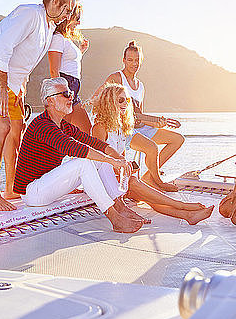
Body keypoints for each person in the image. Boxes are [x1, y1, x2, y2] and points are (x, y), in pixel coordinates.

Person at [0, 0, 77, 211]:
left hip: (11, 83)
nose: (67, 16)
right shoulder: (30, 14)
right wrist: (1, 86)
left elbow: (24, 61)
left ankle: (12, 188)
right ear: (55, 2)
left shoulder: (48, 28)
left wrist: (19, 88)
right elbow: (2, 48)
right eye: (67, 9)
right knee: (1, 127)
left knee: (16, 131)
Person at [13, 77, 145, 233]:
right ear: (51, 101)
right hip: (32, 193)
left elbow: (94, 143)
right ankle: (114, 218)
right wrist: (113, 161)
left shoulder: (62, 125)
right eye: (66, 94)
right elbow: (74, 148)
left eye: (71, 93)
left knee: (100, 160)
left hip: (47, 185)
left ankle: (120, 206)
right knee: (84, 162)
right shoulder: (42, 125)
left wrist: (119, 159)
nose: (71, 98)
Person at [91, 83, 213, 224]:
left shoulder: (121, 127)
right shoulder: (99, 127)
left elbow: (121, 157)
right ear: (109, 102)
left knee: (149, 198)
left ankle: (188, 216)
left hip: (118, 178)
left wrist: (127, 169)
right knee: (136, 184)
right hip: (103, 180)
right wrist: (122, 172)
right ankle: (183, 206)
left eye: (127, 100)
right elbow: (100, 159)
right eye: (121, 100)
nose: (125, 103)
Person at [99, 40, 184, 192]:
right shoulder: (116, 78)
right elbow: (100, 98)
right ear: (123, 60)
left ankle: (148, 177)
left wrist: (156, 123)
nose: (134, 63)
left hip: (138, 127)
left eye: (137, 60)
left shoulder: (140, 86)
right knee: (152, 148)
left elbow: (139, 116)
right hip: (123, 128)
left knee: (177, 139)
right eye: (130, 60)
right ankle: (157, 181)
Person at [48, 3, 92, 133]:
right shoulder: (58, 38)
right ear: (68, 17)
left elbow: (70, 63)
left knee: (87, 134)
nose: (78, 23)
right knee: (63, 138)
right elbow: (53, 71)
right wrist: (59, 97)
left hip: (73, 90)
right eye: (77, 19)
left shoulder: (66, 40)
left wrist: (81, 51)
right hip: (65, 89)